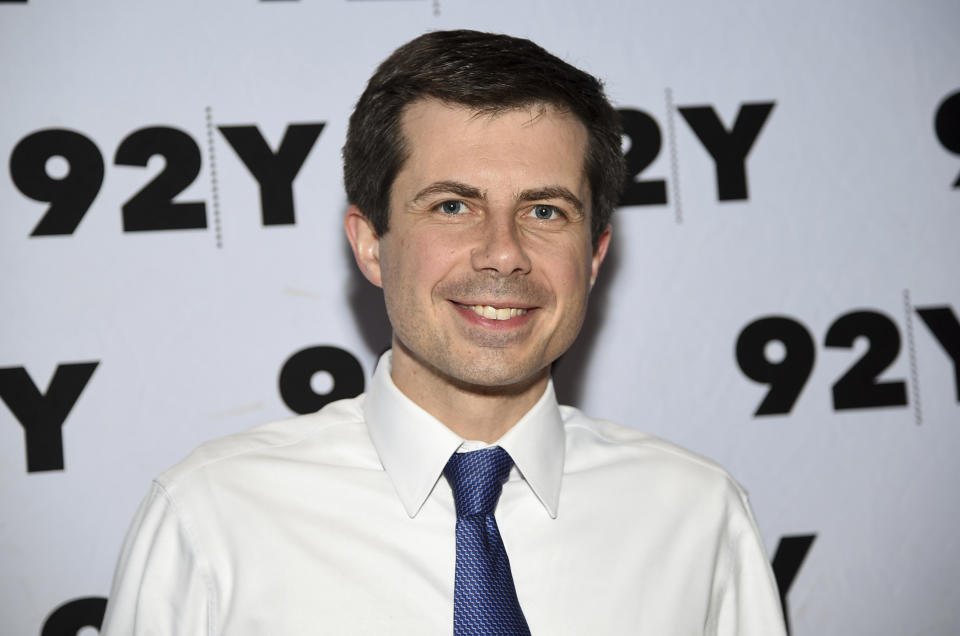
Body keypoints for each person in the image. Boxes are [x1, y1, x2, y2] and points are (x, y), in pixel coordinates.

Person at [101, 30, 786, 635]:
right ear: (370, 244)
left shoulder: (698, 519)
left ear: (596, 255)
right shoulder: (213, 520)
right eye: (453, 206)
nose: (503, 252)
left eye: (545, 212)